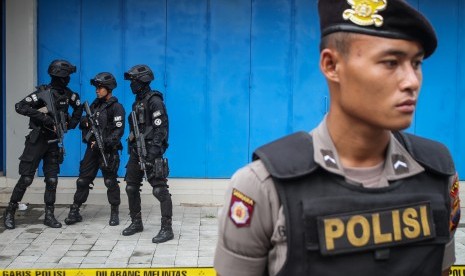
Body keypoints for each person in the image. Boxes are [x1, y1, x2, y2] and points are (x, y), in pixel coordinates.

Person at [214, 0, 460, 275]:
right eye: (391, 62)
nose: (412, 81)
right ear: (331, 65)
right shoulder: (262, 186)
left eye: (416, 63)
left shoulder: (437, 170)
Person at [3, 59, 83, 229]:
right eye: (67, 76)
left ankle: (49, 215)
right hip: (37, 140)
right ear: (60, 77)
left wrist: (69, 123)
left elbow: (79, 108)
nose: (68, 79)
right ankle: (9, 211)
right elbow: (20, 106)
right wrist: (44, 117)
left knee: (52, 180)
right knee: (26, 178)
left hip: (53, 142)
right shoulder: (42, 94)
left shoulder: (69, 95)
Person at [64, 72, 125, 226]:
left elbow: (118, 132)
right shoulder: (94, 105)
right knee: (83, 180)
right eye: (96, 88)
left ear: (108, 88)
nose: (97, 90)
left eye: (100, 87)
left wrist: (103, 143)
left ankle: (114, 212)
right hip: (92, 149)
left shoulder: (116, 107)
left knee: (110, 181)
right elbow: (84, 123)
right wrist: (89, 133)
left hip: (108, 150)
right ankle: (75, 210)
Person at [122, 64, 173, 243]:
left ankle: (167, 229)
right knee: (131, 187)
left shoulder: (155, 101)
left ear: (142, 81)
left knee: (159, 190)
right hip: (137, 151)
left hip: (152, 151)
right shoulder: (137, 102)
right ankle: (136, 222)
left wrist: (152, 154)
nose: (131, 85)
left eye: (134, 81)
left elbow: (161, 130)